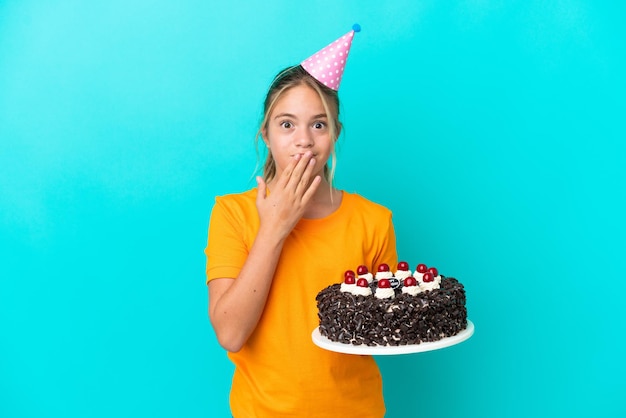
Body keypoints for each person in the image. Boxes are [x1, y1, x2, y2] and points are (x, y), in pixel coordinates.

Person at [205, 26, 398, 417]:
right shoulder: (232, 213)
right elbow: (231, 333)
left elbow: (385, 331)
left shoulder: (374, 220)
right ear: (266, 135)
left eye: (319, 124)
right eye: (287, 124)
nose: (304, 140)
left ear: (335, 134)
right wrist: (275, 226)